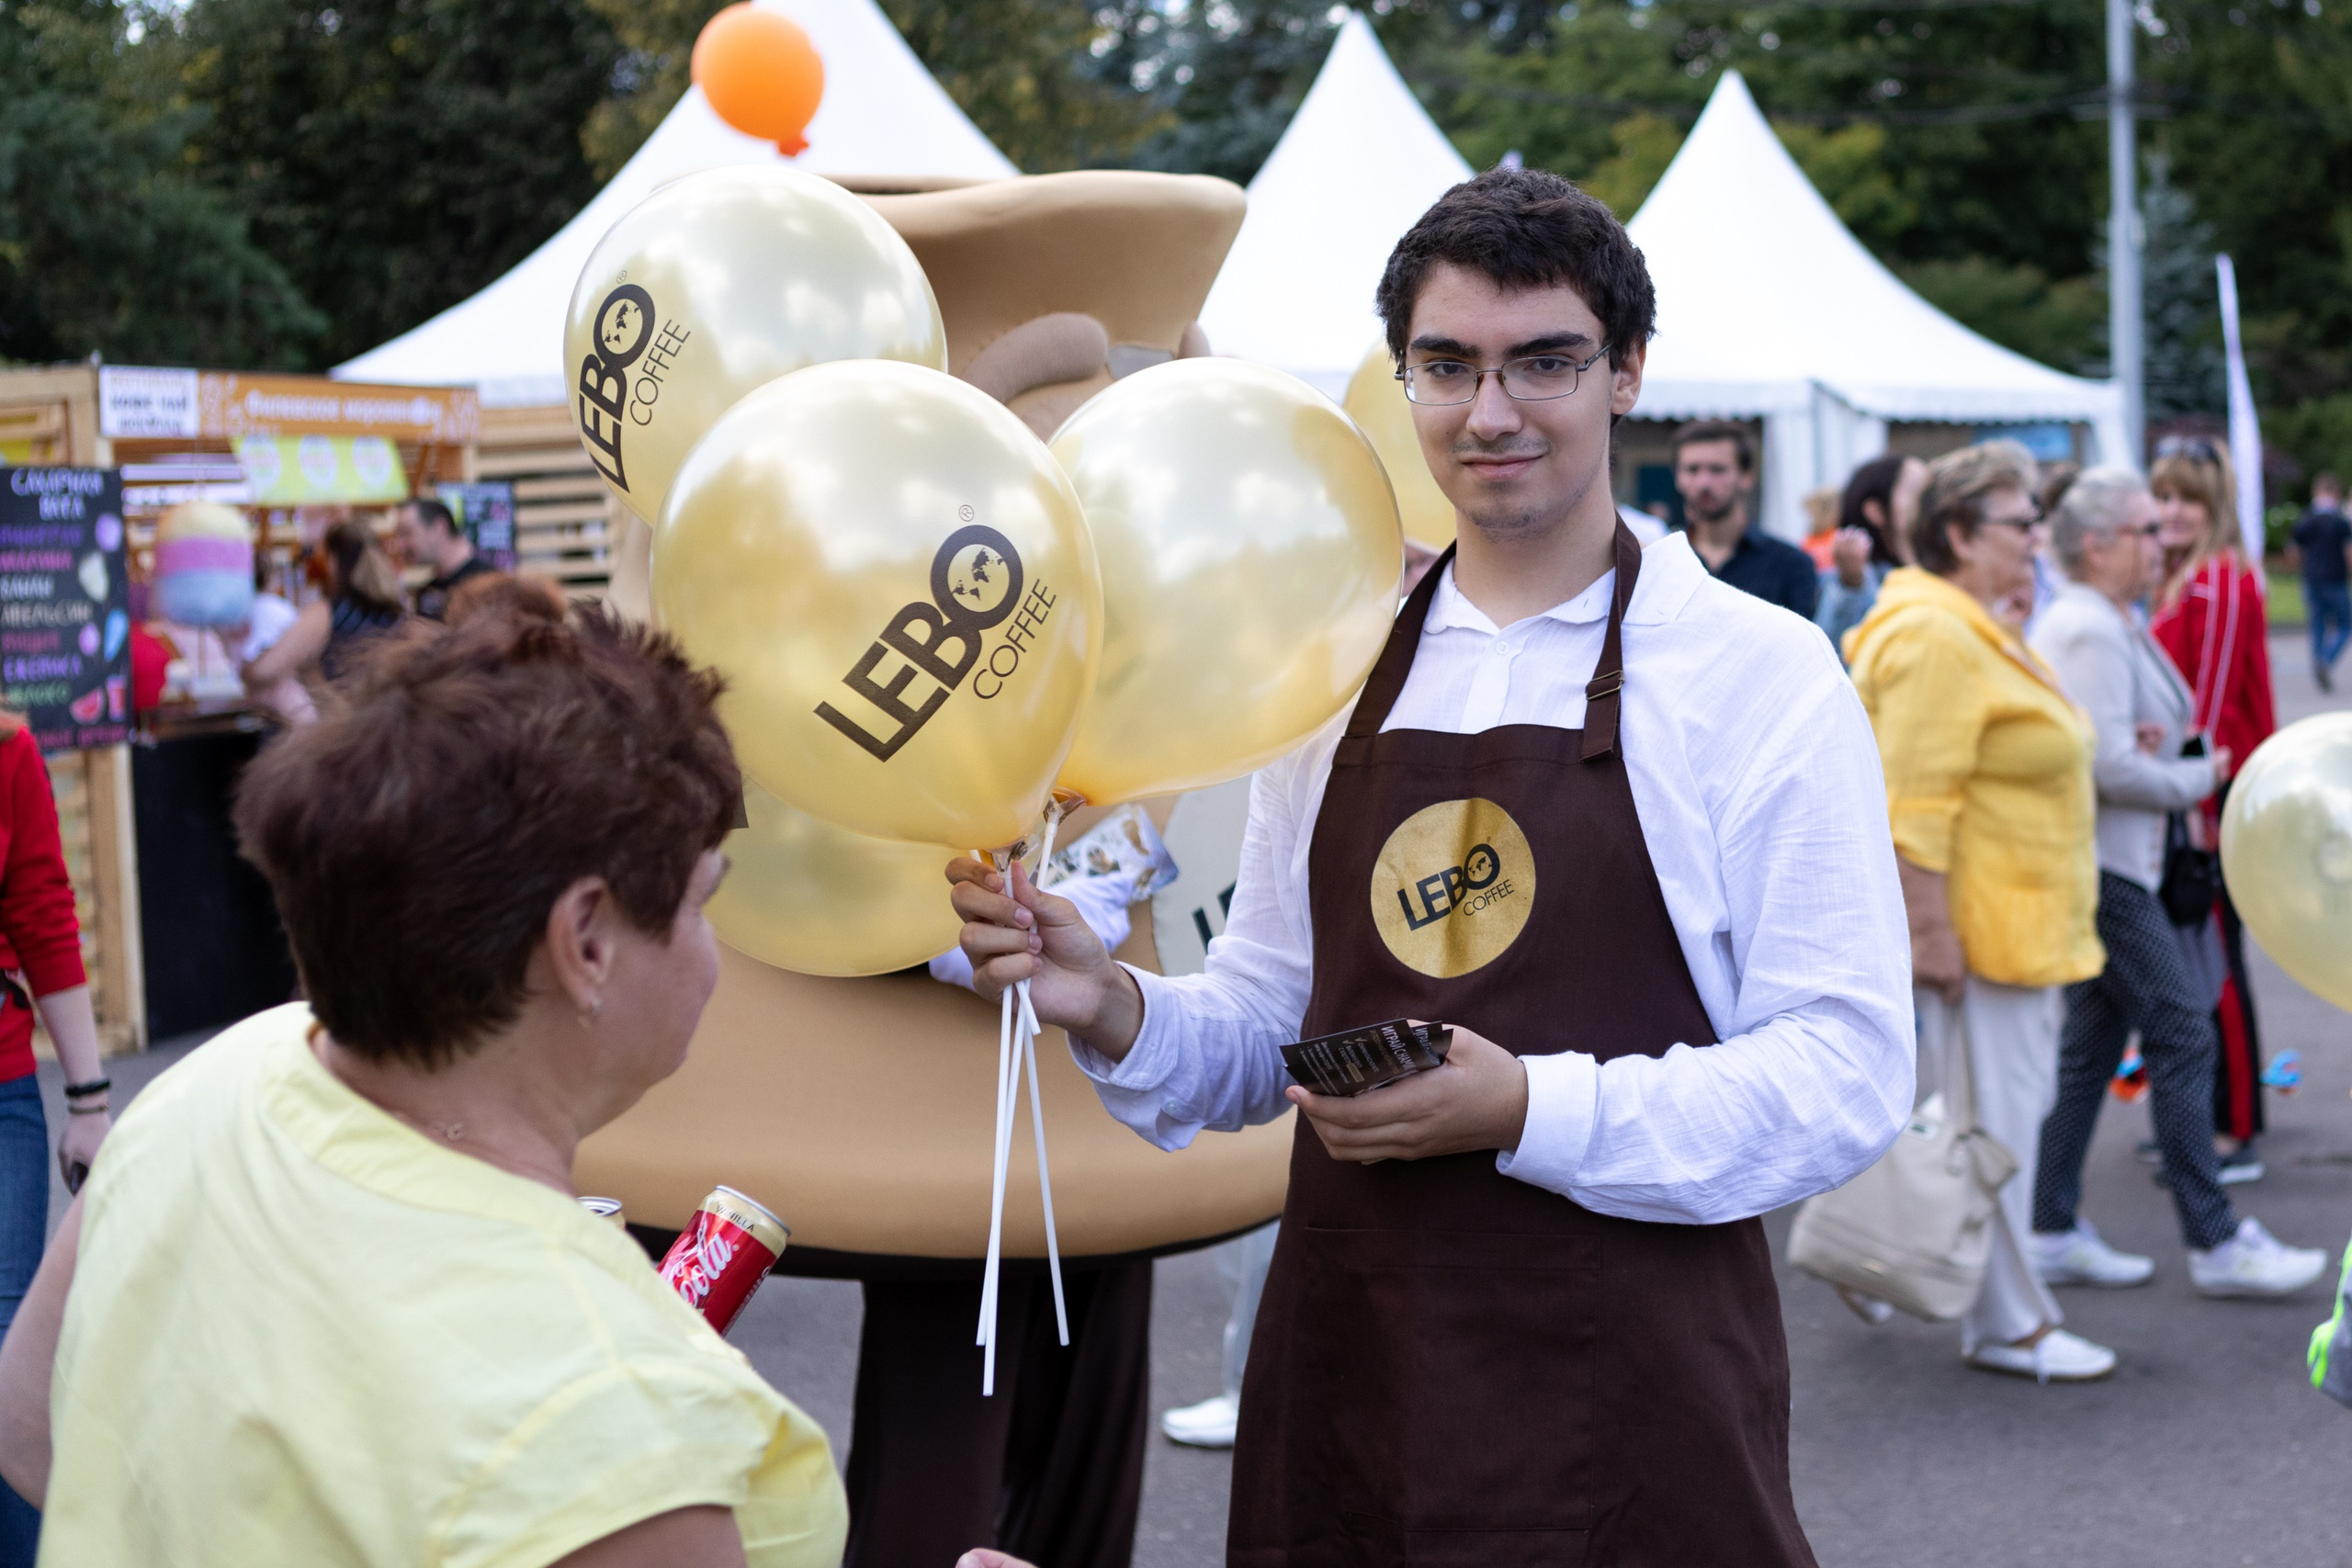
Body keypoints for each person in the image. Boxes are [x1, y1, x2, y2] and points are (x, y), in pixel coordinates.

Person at [954, 166, 1913, 1562]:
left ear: (1627, 372)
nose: (1492, 412)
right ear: (1405, 379)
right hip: (1357, 1369)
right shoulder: (1335, 669)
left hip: (1638, 1380)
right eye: (1448, 365)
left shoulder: (1755, 672)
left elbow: (1845, 1068)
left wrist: (1526, 1104)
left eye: (1545, 363)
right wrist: (1109, 997)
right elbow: (1274, 1015)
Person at [0, 605, 853, 1566]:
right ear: (584, 942)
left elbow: (32, 1439)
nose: (711, 954)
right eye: (702, 902)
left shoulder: (209, 1084)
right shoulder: (616, 1419)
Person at [1844, 441, 2116, 1382]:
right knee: (1989, 1133)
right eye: (2022, 523)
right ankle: (2010, 1325)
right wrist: (1931, 939)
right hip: (1981, 932)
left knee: (1984, 1123)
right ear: (1959, 534)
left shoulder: (1965, 623)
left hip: (2015, 926)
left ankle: (1923, 1279)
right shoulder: (1934, 635)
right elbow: (1912, 807)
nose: (2040, 538)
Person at [2027, 468, 2325, 1300]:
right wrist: (2198, 777)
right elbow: (2108, 765)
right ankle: (2215, 1239)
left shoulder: (2108, 620)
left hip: (2116, 860)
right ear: (2099, 544)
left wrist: (2168, 757)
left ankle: (2049, 1225)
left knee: (2090, 1051)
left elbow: (2117, 744)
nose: (2163, 542)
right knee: (2183, 1030)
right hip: (2110, 866)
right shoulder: (2089, 625)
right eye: (2147, 530)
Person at [0, 713, 109, 1568]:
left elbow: (41, 907)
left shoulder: (7, 749)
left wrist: (89, 1100)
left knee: (11, 1352)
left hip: (1, 1085)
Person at [2149, 438, 2275, 1176]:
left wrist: (2201, 803)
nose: (2170, 512)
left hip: (2216, 792)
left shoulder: (2219, 582)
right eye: (2163, 496)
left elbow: (2212, 703)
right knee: (2193, 957)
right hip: (2193, 790)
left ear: (2214, 505)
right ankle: (2196, 1113)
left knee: (2215, 957)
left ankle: (2233, 1123)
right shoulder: (2183, 577)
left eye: (2186, 498)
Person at [238, 519, 406, 703]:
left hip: (341, 722)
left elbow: (264, 671)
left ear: (333, 561)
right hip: (390, 721)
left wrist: (244, 664)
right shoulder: (396, 611)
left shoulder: (327, 614)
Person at [1673, 418, 1820, 617]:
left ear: (1746, 476)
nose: (1703, 483)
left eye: (1717, 469)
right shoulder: (1667, 560)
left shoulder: (1790, 564)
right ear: (1677, 478)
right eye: (1692, 469)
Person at [1815, 453, 1923, 657]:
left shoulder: (1946, 571)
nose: (1929, 499)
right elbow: (1834, 659)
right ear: (1876, 511)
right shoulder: (1854, 581)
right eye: (1916, 490)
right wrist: (1851, 586)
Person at [2291, 471, 2350, 691]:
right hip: (2335, 579)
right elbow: (2349, 552)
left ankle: (2319, 661)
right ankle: (2326, 659)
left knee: (2318, 624)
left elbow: (2295, 550)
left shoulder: (2307, 519)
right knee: (2345, 623)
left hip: (2312, 579)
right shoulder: (2340, 521)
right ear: (2335, 492)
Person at [395, 497, 498, 621]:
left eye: (406, 532)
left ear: (439, 527)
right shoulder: (427, 591)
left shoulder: (490, 584)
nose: (399, 544)